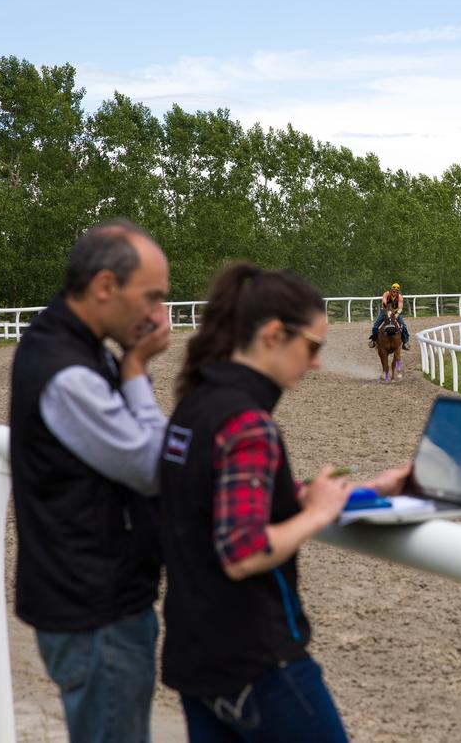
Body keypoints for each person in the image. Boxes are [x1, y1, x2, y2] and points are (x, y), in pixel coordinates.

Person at [159, 262, 410, 742]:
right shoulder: (248, 423)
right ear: (273, 335)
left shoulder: (194, 404)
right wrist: (317, 514)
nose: (317, 362)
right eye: (312, 347)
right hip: (259, 660)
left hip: (193, 657)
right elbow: (243, 549)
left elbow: (228, 498)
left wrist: (366, 491)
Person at [9, 219, 172, 743]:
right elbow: (154, 467)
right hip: (98, 611)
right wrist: (137, 371)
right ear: (105, 286)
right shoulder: (70, 369)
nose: (156, 315)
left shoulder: (64, 343)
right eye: (151, 298)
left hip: (86, 598)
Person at [368, 281, 409, 350]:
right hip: (385, 311)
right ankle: (373, 340)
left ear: (398, 292)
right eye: (393, 291)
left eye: (396, 291)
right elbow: (384, 301)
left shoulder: (400, 297)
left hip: (395, 312)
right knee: (376, 325)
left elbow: (400, 307)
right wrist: (387, 310)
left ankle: (405, 342)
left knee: (404, 326)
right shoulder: (386, 294)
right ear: (391, 290)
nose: (395, 292)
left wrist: (396, 314)